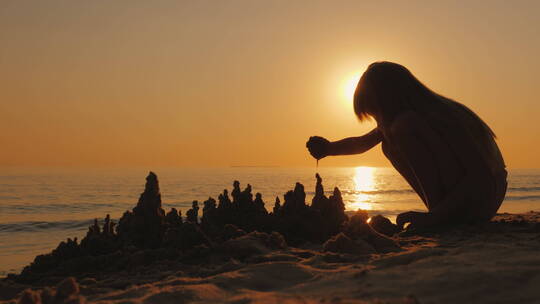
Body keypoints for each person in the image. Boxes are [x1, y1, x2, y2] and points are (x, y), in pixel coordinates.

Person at [306, 62, 507, 230]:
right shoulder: (412, 118)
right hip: (471, 199)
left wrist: (435, 216)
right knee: (389, 140)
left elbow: (481, 175)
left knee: (400, 130)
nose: (378, 122)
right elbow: (361, 143)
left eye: (377, 113)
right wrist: (329, 149)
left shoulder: (438, 117)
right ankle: (439, 211)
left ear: (392, 100)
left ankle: (438, 213)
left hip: (484, 195)